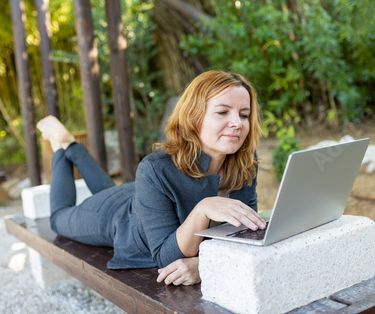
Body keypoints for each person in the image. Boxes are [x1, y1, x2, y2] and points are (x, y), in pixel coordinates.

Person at [37, 70, 266, 286]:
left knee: (106, 188)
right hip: (118, 218)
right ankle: (62, 145)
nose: (237, 123)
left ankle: (71, 146)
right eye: (223, 112)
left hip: (144, 196)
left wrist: (204, 264)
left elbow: (247, 236)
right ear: (193, 116)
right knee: (58, 219)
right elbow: (165, 257)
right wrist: (202, 209)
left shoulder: (245, 162)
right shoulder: (156, 168)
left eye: (244, 115)